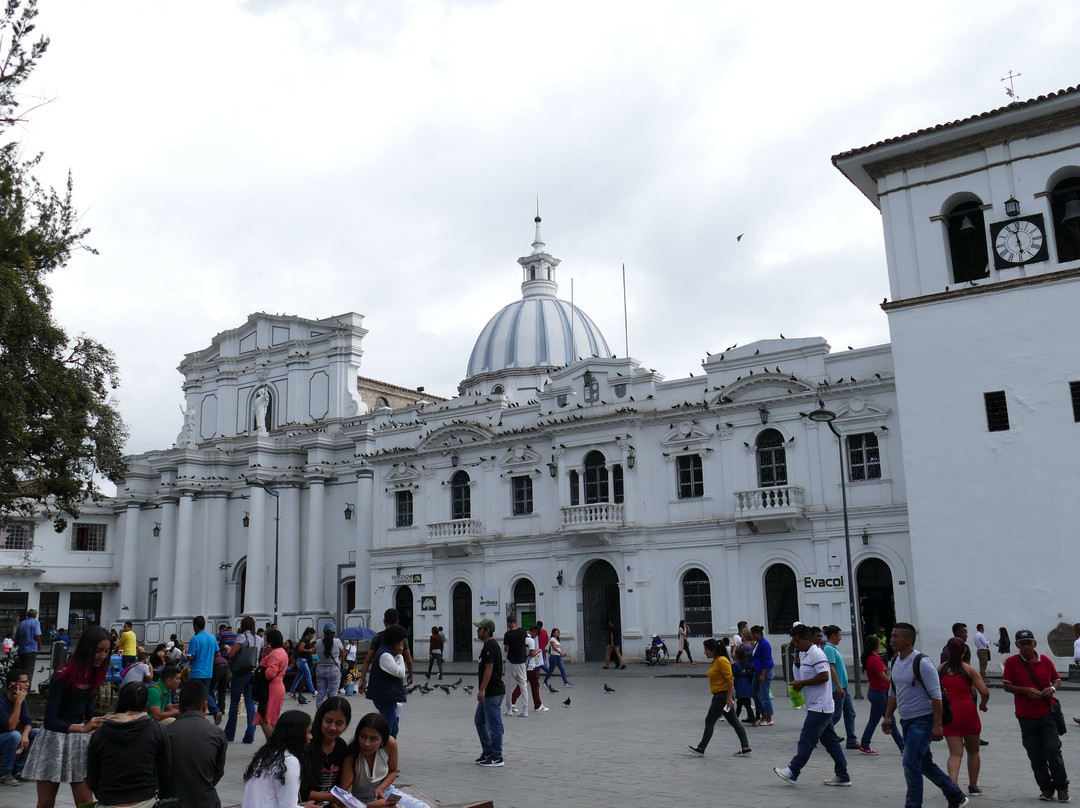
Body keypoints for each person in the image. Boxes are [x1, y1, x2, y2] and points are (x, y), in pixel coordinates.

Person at [21, 625, 110, 808]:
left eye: (106, 651)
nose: (102, 656)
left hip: (77, 742)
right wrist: (83, 728)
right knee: (46, 803)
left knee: (86, 803)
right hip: (53, 741)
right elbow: (50, 720)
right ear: (87, 649)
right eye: (99, 651)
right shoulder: (61, 677)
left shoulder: (92, 675)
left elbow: (86, 713)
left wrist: (113, 716)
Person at [881, 622, 968, 808]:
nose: (891, 639)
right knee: (925, 764)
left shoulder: (922, 662)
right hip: (906, 720)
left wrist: (937, 725)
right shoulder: (895, 661)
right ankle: (955, 796)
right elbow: (893, 690)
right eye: (892, 635)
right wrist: (888, 716)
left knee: (910, 763)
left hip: (923, 720)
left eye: (896, 636)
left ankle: (913, 805)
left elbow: (937, 696)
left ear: (908, 640)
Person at [773, 624, 850, 787]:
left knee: (806, 740)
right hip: (819, 706)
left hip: (820, 707)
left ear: (807, 639)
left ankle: (793, 771)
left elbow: (824, 676)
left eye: (797, 641)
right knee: (831, 742)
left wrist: (802, 683)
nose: (795, 644)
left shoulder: (816, 654)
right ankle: (843, 775)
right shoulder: (805, 654)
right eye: (794, 641)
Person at [1002, 628, 1069, 803]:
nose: (1026, 647)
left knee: (1052, 750)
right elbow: (1007, 686)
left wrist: (1052, 688)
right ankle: (1046, 789)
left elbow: (1057, 679)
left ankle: (1062, 787)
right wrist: (1024, 691)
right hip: (1025, 717)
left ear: (1034, 644)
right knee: (1035, 755)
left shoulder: (1045, 660)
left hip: (1047, 715)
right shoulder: (1011, 663)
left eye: (1028, 643)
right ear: (1017, 645)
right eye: (1022, 644)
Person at [86, 681, 171, 808]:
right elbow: (165, 772)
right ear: (146, 703)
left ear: (120, 701)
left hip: (108, 802)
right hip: (145, 801)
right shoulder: (156, 730)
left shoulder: (99, 735)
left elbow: (92, 778)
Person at [341, 712, 431, 808]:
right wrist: (373, 806)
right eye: (363, 736)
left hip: (386, 792)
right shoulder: (351, 758)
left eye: (373, 739)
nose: (366, 743)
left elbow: (393, 771)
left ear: (382, 740)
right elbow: (345, 802)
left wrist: (380, 788)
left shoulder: (390, 744)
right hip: (358, 802)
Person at [163, 680, 228, 808]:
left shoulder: (166, 732)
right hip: (206, 801)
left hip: (173, 801)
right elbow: (218, 774)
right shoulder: (217, 733)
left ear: (179, 708)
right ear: (205, 706)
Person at [939, 637, 990, 797]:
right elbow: (985, 692)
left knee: (955, 753)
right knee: (973, 751)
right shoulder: (969, 670)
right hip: (968, 713)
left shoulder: (939, 669)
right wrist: (983, 704)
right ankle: (973, 786)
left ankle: (953, 784)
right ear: (964, 652)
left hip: (948, 714)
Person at [241, 710, 317, 808]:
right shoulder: (289, 761)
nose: (310, 737)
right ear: (297, 735)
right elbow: (288, 807)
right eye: (308, 732)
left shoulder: (268, 754)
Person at [688, 638, 751, 757]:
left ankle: (702, 747)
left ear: (713, 650)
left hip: (722, 695)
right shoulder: (716, 660)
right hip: (720, 694)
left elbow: (730, 679)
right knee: (734, 721)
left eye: (706, 650)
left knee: (709, 720)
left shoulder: (722, 660)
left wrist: (728, 698)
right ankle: (745, 746)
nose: (704, 652)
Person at [858, 634, 904, 755]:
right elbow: (883, 677)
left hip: (880, 692)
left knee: (890, 721)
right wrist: (896, 685)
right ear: (876, 645)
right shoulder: (874, 660)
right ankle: (865, 744)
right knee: (875, 720)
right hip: (879, 693)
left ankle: (902, 746)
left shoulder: (873, 658)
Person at [301, 696, 351, 805]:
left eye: (339, 723)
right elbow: (299, 791)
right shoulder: (307, 743)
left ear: (346, 725)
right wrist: (332, 798)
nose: (333, 728)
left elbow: (343, 786)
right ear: (320, 719)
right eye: (328, 721)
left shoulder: (341, 747)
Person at [225, 616, 264, 744]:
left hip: (241, 673)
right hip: (253, 672)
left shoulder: (242, 637)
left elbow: (231, 655)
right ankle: (250, 735)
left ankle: (229, 734)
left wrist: (229, 650)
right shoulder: (259, 639)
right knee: (250, 703)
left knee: (235, 702)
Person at [365, 624, 408, 737]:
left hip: (388, 696)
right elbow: (400, 672)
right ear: (395, 643)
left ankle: (388, 750)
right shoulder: (385, 655)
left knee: (394, 728)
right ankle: (382, 750)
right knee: (388, 729)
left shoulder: (387, 652)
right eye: (401, 643)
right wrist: (400, 655)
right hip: (385, 697)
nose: (402, 646)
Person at [473, 618, 505, 767]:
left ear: (487, 631)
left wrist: (482, 690)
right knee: (480, 721)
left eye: (480, 629)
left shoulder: (490, 647)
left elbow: (489, 668)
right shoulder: (488, 645)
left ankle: (497, 756)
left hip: (492, 692)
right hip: (490, 692)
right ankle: (488, 750)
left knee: (494, 725)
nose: (477, 631)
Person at [0, 668, 37, 785]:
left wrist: (25, 734)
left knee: (36, 732)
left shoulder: (21, 699)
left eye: (27, 681)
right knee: (14, 735)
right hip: (4, 738)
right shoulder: (2, 701)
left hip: (8, 739)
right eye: (24, 682)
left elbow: (28, 721)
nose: (28, 684)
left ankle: (19, 769)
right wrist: (18, 703)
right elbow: (10, 727)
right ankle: (4, 772)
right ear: (13, 684)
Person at [824, 625, 858, 749]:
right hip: (837, 688)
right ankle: (821, 733)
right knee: (836, 714)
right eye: (839, 635)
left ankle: (851, 740)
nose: (840, 638)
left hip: (843, 686)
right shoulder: (829, 649)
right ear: (833, 636)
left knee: (850, 713)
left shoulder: (834, 648)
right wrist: (838, 686)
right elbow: (831, 668)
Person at [188, 615, 224, 725]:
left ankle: (213, 710)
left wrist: (187, 655)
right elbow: (217, 653)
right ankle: (203, 713)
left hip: (196, 671)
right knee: (205, 692)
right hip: (208, 671)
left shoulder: (195, 639)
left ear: (195, 625)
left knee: (198, 694)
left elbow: (191, 656)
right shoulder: (212, 638)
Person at [254, 628, 289, 740]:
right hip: (279, 686)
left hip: (271, 688)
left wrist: (263, 669)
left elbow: (270, 673)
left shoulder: (275, 654)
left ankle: (272, 746)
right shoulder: (282, 652)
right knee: (272, 719)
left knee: (264, 718)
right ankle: (276, 745)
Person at [314, 623, 344, 709]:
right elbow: (342, 654)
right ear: (334, 632)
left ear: (324, 632)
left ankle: (319, 712)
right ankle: (332, 711)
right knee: (333, 694)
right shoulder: (337, 641)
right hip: (333, 670)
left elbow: (317, 653)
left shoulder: (318, 642)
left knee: (321, 693)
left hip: (320, 669)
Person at [502, 618, 528, 716]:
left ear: (508, 623)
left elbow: (506, 649)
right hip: (521, 662)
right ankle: (525, 710)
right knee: (523, 685)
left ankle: (509, 709)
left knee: (509, 685)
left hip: (511, 662)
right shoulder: (522, 631)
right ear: (516, 622)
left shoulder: (508, 634)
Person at [750, 624, 775, 727]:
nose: (751, 635)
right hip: (758, 671)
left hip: (764, 672)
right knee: (754, 692)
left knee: (765, 695)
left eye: (752, 634)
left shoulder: (764, 644)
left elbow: (767, 661)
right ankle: (763, 714)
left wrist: (763, 675)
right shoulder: (758, 643)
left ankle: (769, 718)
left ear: (757, 634)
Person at [13, 608, 43, 688]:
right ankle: (26, 689)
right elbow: (37, 635)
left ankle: (19, 687)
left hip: (21, 650)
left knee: (21, 670)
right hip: (31, 650)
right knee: (28, 671)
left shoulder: (22, 623)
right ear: (35, 615)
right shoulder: (35, 623)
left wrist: (17, 645)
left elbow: (16, 639)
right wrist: (40, 644)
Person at [288, 627, 316, 703]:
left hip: (302, 661)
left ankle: (291, 692)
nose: (313, 636)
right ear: (309, 633)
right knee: (308, 676)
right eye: (313, 634)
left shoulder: (307, 641)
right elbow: (301, 649)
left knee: (298, 677)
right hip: (302, 661)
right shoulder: (304, 640)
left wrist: (311, 650)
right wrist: (309, 650)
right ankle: (313, 692)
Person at [731, 643, 757, 724]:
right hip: (747, 685)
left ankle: (753, 719)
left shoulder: (735, 665)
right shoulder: (747, 665)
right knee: (742, 702)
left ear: (737, 656)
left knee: (745, 704)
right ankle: (735, 717)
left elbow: (732, 675)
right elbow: (751, 675)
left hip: (739, 685)